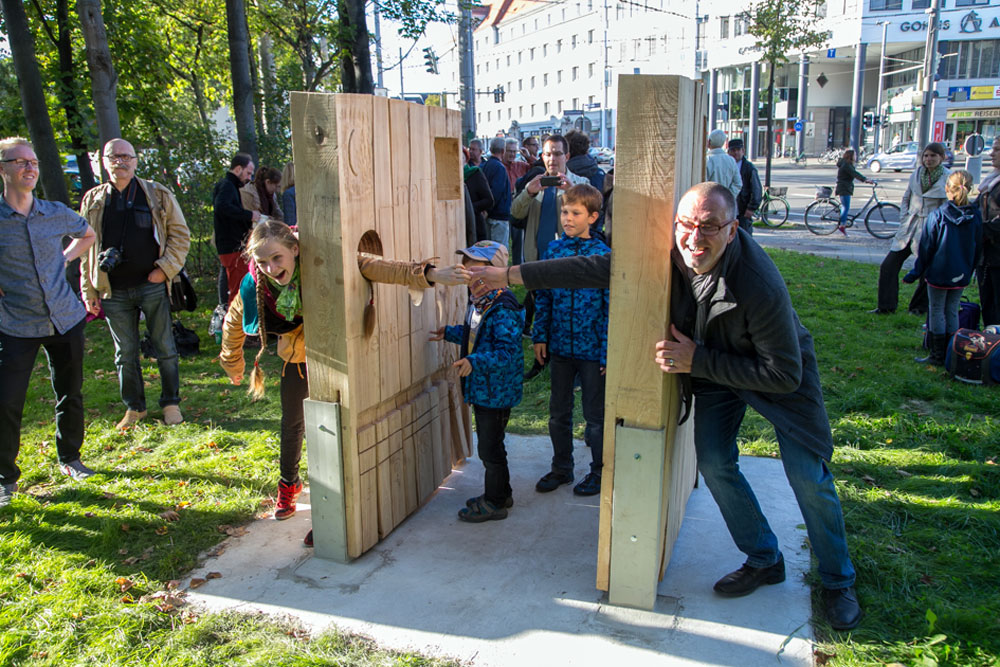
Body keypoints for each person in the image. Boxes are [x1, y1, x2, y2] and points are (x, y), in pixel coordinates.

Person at [467, 183, 863, 631]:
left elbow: (784, 373)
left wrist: (698, 360)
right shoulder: (671, 250)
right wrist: (510, 275)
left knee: (807, 476)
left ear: (733, 230)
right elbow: (594, 268)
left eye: (709, 227)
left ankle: (838, 581)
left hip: (774, 371)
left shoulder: (759, 283)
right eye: (687, 224)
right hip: (712, 366)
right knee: (714, 462)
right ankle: (764, 557)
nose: (695, 238)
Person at [220, 220, 471, 541]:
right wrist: (233, 362)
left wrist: (432, 275)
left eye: (277, 258)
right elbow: (234, 319)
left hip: (336, 351)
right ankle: (289, 483)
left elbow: (376, 266)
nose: (270, 268)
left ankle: (331, 514)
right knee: (292, 423)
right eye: (263, 262)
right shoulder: (255, 283)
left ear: (295, 249)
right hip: (297, 357)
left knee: (332, 427)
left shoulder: (322, 259)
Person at [0, 137, 98, 506]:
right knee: (7, 401)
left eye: (34, 162)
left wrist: (66, 258)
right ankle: (5, 479)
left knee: (70, 393)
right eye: (20, 162)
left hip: (65, 318)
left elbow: (87, 234)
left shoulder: (54, 212)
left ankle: (70, 458)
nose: (30, 168)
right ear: (2, 169)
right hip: (16, 323)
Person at [79, 138, 191, 429]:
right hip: (112, 289)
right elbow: (85, 249)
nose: (121, 162)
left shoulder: (156, 193)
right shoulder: (93, 200)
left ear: (136, 161)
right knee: (125, 354)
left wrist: (164, 270)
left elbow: (180, 235)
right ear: (104, 162)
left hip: (151, 284)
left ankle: (171, 404)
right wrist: (88, 289)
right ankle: (134, 408)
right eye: (114, 157)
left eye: (127, 156)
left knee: (165, 347)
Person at [430, 240, 524, 522]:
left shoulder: (503, 308)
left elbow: (507, 353)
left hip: (496, 392)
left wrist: (474, 362)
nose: (471, 278)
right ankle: (503, 494)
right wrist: (450, 332)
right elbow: (476, 335)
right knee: (492, 446)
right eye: (467, 272)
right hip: (485, 389)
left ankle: (494, 503)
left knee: (489, 449)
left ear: (497, 273)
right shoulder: (481, 303)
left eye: (478, 272)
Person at [531, 185, 610, 497]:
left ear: (592, 217)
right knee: (558, 413)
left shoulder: (603, 255)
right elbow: (544, 297)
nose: (567, 218)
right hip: (561, 347)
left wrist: (607, 351)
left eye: (576, 213)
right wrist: (540, 335)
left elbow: (610, 308)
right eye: (565, 212)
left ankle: (600, 471)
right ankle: (562, 468)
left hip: (592, 350)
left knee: (595, 417)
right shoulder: (553, 251)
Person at [511, 134, 589, 344]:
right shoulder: (534, 184)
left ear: (567, 156)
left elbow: (589, 221)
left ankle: (562, 350)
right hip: (536, 259)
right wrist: (528, 193)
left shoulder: (581, 184)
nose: (552, 159)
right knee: (541, 312)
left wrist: (572, 193)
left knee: (564, 314)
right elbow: (516, 213)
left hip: (567, 262)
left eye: (557, 154)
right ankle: (541, 351)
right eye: (547, 154)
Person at [903, 170, 982, 365]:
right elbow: (978, 246)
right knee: (952, 310)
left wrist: (915, 272)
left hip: (939, 271)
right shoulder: (975, 216)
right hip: (961, 272)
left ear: (947, 189)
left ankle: (937, 355)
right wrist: (970, 270)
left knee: (937, 310)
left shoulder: (938, 216)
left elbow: (926, 248)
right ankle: (951, 354)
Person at [871, 143, 950, 315]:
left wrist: (937, 226)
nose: (928, 159)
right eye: (926, 156)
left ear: (941, 158)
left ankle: (918, 308)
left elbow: (947, 207)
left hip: (930, 228)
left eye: (933, 156)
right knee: (888, 265)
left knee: (926, 269)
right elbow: (906, 197)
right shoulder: (917, 174)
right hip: (909, 226)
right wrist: (904, 217)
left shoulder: (947, 177)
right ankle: (886, 306)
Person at [214, 153, 259, 308]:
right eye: (248, 173)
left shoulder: (229, 186)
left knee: (238, 286)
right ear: (238, 169)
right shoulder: (227, 185)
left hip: (232, 244)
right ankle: (236, 320)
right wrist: (249, 215)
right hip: (231, 246)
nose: (249, 178)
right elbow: (222, 207)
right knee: (238, 289)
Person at [977, 140, 1000, 326]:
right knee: (988, 305)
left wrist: (979, 230)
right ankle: (990, 340)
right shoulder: (991, 180)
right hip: (986, 256)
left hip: (997, 254)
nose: (992, 154)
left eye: (997, 150)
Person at [480, 138, 513, 246]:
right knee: (499, 251)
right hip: (499, 215)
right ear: (503, 151)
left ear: (490, 149)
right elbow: (496, 192)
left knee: (488, 249)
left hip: (487, 215)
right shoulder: (500, 168)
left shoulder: (485, 166)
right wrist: (488, 209)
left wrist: (485, 209)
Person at [834, 149, 872, 236]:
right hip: (844, 188)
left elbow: (854, 173)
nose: (856, 156)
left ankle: (843, 223)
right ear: (850, 156)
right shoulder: (846, 165)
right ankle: (842, 225)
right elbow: (854, 173)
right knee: (845, 207)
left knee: (845, 206)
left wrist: (865, 179)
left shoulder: (846, 164)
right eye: (855, 155)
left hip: (845, 187)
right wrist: (865, 180)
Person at [728, 138, 761, 235]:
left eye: (738, 150)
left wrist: (751, 208)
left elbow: (756, 189)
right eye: (733, 150)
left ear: (743, 151)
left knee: (744, 236)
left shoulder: (749, 167)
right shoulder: (727, 165)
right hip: (729, 209)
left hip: (743, 210)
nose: (736, 153)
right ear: (729, 152)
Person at [463, 148, 494, 244]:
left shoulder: (475, 173)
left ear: (465, 159)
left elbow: (489, 200)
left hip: (475, 226)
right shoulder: (451, 178)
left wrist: (469, 208)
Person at [705, 129, 742, 203]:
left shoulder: (707, 160)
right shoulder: (731, 160)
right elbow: (738, 183)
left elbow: (703, 184)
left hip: (709, 201)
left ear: (709, 142)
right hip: (726, 203)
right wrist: (728, 197)